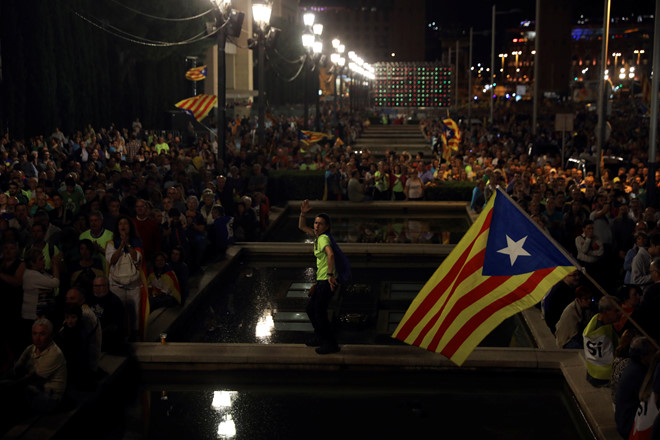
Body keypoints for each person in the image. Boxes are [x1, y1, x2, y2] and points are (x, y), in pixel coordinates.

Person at [298, 200, 340, 354]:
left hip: (327, 281)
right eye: (315, 223)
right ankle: (320, 336)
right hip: (322, 281)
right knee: (311, 309)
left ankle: (331, 344)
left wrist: (329, 276)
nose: (316, 226)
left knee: (319, 312)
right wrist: (303, 214)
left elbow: (331, 255)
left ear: (326, 226)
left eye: (320, 224)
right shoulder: (318, 236)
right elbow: (302, 227)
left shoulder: (323, 239)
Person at [5, 319, 67, 413]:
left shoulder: (54, 353)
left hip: (49, 398)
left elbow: (32, 378)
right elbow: (16, 370)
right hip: (34, 390)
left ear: (50, 336)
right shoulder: (30, 348)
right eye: (35, 333)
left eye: (42, 334)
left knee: (14, 394)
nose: (37, 338)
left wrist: (7, 386)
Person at [106, 215, 146, 341]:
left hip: (133, 284)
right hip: (117, 284)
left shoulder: (137, 242)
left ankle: (135, 336)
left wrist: (127, 244)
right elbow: (112, 260)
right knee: (119, 312)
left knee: (135, 313)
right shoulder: (111, 244)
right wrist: (120, 245)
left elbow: (136, 258)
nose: (123, 226)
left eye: (125, 224)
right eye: (120, 224)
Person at [614, 336, 658, 439]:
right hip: (628, 425)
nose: (655, 355)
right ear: (644, 357)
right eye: (653, 352)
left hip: (623, 420)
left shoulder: (634, 366)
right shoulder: (638, 374)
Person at [583, 296, 621, 386]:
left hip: (592, 373)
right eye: (616, 311)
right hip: (604, 377)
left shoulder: (594, 321)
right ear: (605, 312)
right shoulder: (602, 334)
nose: (620, 314)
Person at [64, 287, 102, 376]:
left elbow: (80, 345)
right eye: (67, 299)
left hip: (86, 367)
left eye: (72, 299)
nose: (68, 302)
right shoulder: (75, 312)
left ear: (82, 300)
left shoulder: (85, 314)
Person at [87, 276, 126, 354]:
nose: (98, 288)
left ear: (107, 286)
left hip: (107, 339)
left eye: (100, 286)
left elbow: (115, 325)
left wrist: (98, 335)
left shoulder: (114, 302)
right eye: (95, 286)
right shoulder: (88, 298)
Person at [541, 270, 581, 335]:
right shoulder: (559, 291)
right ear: (565, 276)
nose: (577, 277)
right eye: (574, 275)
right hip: (561, 329)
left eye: (578, 275)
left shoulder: (568, 288)